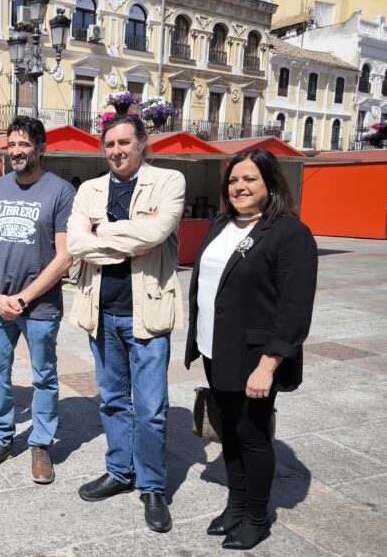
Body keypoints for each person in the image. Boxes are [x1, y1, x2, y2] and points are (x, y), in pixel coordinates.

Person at [185, 149, 317, 550]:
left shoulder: (289, 233)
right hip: (215, 349)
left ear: (271, 183)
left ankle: (257, 517)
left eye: (250, 180)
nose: (239, 187)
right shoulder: (221, 224)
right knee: (228, 433)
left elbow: (295, 308)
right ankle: (235, 505)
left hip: (255, 357)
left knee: (253, 436)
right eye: (233, 180)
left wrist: (269, 364)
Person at [67, 114, 185, 533]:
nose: (116, 150)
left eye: (124, 143)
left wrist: (103, 232)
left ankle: (152, 486)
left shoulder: (169, 181)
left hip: (148, 315)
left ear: (142, 144)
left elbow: (156, 233)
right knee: (113, 401)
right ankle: (119, 471)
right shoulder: (90, 189)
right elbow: (75, 243)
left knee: (151, 410)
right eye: (110, 144)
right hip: (102, 314)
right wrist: (125, 238)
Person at [0, 116, 75, 483]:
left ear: (41, 148)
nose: (16, 151)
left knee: (44, 377)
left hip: (40, 307)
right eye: (11, 145)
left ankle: (41, 443)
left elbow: (65, 256)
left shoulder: (61, 192)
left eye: (23, 144)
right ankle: (2, 438)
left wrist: (23, 297)